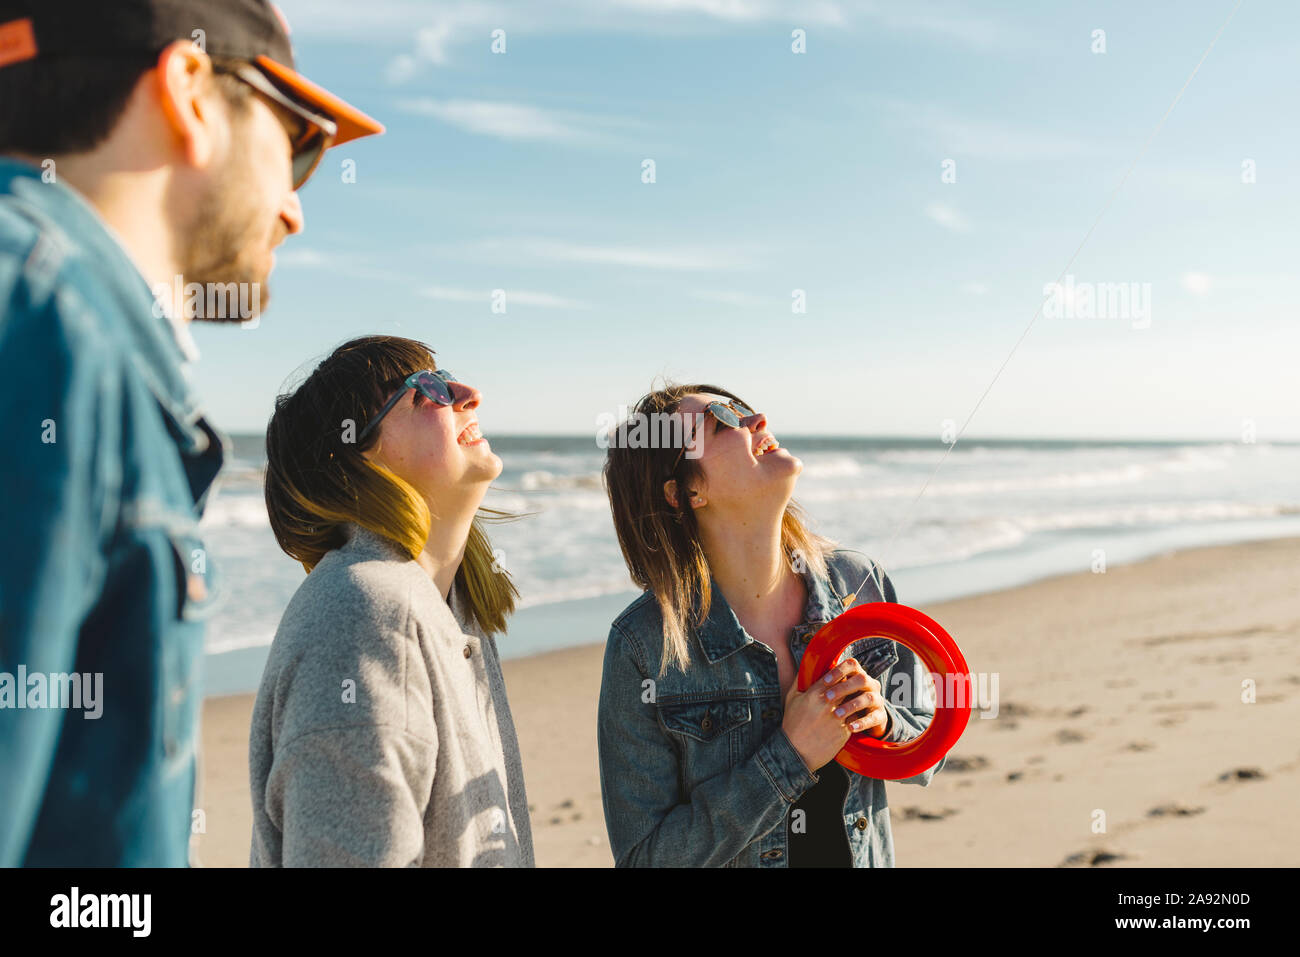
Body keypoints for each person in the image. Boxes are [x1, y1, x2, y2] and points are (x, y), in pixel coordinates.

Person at [0, 0, 382, 866]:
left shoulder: (72, 327)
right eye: (300, 146)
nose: (295, 208)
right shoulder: (45, 325)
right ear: (190, 91)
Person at [597, 383, 946, 867]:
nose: (757, 420)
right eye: (721, 422)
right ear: (684, 492)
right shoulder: (643, 646)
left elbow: (929, 751)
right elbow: (646, 859)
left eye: (742, 409)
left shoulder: (859, 581)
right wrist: (790, 756)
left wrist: (880, 719)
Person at [250, 336, 534, 867]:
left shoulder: (453, 610)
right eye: (425, 390)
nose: (467, 393)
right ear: (357, 456)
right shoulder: (363, 616)